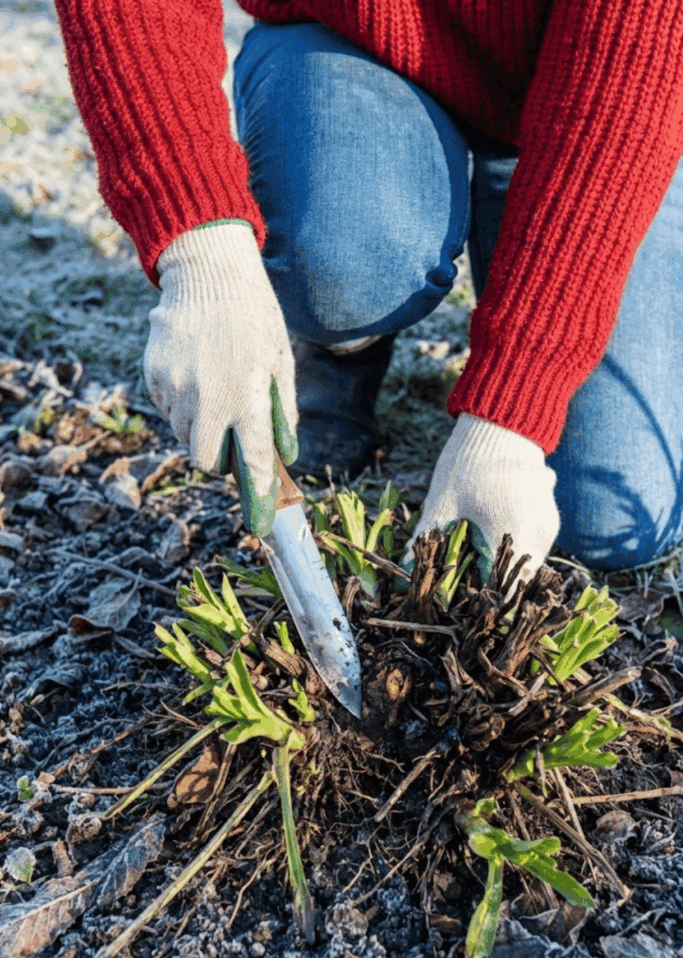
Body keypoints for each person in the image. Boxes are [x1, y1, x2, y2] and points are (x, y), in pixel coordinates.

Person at [54, 1, 683, 577]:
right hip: (360, 42)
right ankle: (338, 341)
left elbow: (637, 43)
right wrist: (200, 250)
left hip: (613, 103)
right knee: (339, 267)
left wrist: (514, 412)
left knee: (604, 522)